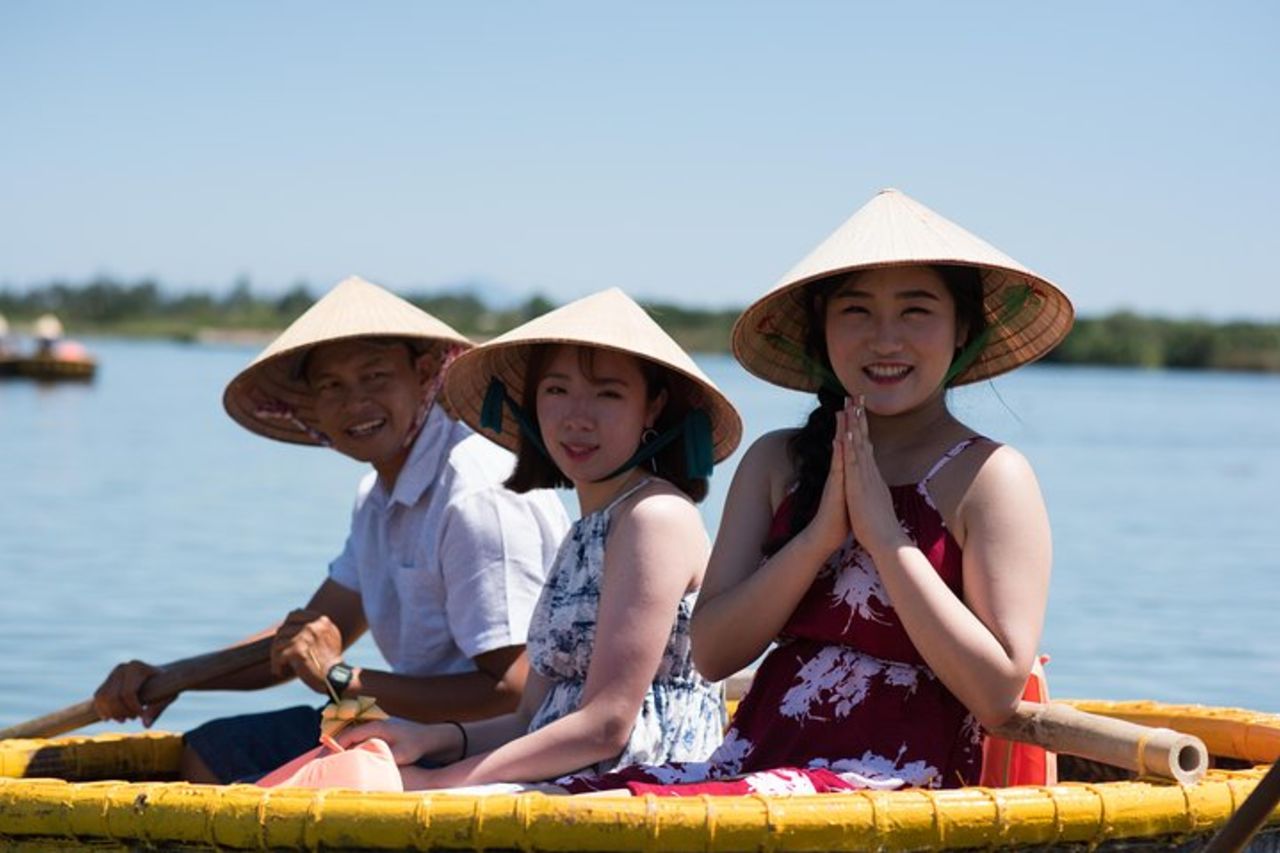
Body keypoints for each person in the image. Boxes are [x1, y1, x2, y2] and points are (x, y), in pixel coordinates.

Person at [572, 187, 1074, 795]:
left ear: (962, 327)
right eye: (856, 311)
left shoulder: (990, 475)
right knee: (577, 798)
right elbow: (713, 653)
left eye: (915, 311)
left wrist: (886, 538)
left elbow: (996, 693)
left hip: (897, 780)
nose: (885, 339)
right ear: (822, 329)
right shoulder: (776, 461)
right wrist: (816, 539)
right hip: (754, 761)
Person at [91, 276, 570, 783]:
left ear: (424, 374)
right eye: (331, 386)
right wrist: (172, 678)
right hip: (408, 723)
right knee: (213, 751)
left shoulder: (475, 493)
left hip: (487, 749)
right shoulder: (378, 495)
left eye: (375, 377)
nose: (354, 404)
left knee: (254, 776)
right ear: (312, 405)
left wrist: (340, 678)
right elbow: (304, 640)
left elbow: (513, 691)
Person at [334, 287, 743, 790]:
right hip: (568, 777)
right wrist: (429, 739)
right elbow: (532, 717)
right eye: (556, 390)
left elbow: (606, 725)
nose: (576, 418)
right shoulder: (585, 533)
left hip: (640, 786)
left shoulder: (653, 518)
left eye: (608, 394)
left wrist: (438, 785)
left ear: (652, 407)